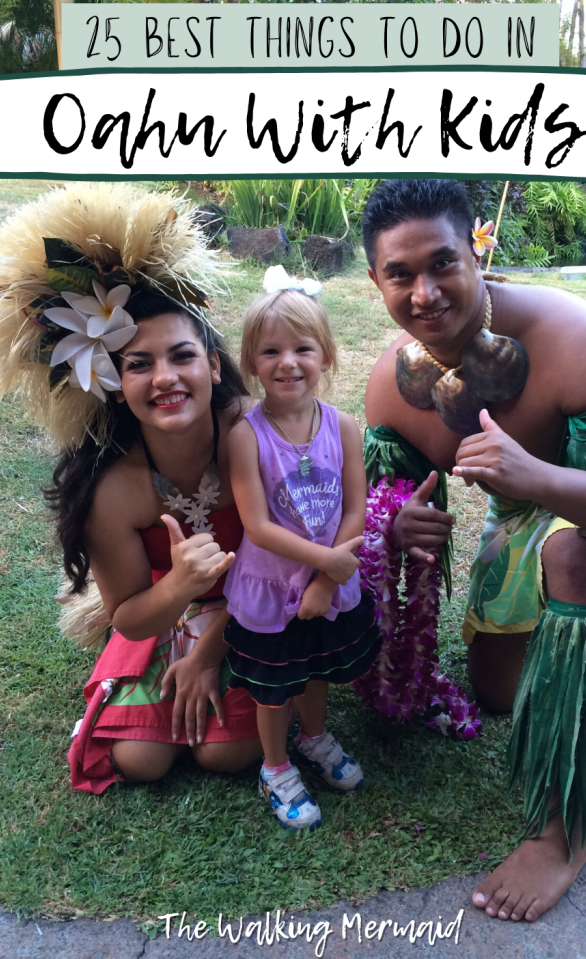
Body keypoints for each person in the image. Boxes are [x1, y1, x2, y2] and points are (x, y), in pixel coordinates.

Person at [362, 178, 586, 922]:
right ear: (375, 280)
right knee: (499, 693)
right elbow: (381, 508)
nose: (424, 293)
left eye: (442, 264)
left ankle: (565, 832)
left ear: (476, 254)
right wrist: (398, 524)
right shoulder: (388, 387)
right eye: (401, 274)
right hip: (519, 517)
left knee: (576, 560)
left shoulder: (575, 339)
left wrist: (536, 474)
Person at [0, 183, 261, 793]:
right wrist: (181, 585)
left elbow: (285, 574)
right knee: (139, 761)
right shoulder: (115, 489)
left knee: (226, 755)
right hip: (165, 615)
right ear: (113, 381)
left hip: (259, 613)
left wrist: (211, 651)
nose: (165, 378)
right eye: (138, 364)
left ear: (212, 364)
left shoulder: (254, 441)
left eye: (182, 356)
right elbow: (129, 616)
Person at [223, 284, 382, 830]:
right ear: (251, 362)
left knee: (316, 670)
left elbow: (356, 505)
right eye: (271, 351)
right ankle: (274, 766)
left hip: (327, 581)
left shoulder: (342, 427)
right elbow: (257, 526)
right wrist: (329, 564)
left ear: (326, 356)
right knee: (276, 686)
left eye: (302, 349)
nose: (288, 362)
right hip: (270, 590)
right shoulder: (247, 437)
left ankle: (314, 737)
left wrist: (325, 579)